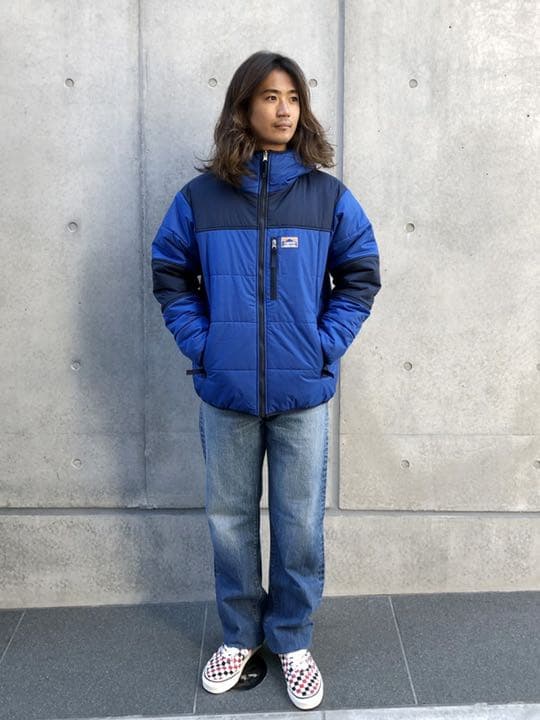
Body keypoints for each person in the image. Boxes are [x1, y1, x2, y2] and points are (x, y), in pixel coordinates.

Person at [151, 50, 381, 711]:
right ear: (244, 106)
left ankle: (292, 639)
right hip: (226, 395)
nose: (285, 110)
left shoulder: (326, 196)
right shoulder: (200, 198)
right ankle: (240, 636)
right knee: (229, 523)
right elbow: (171, 275)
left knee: (299, 526)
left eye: (294, 98)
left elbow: (361, 276)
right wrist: (206, 346)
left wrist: (321, 347)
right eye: (271, 97)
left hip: (301, 395)